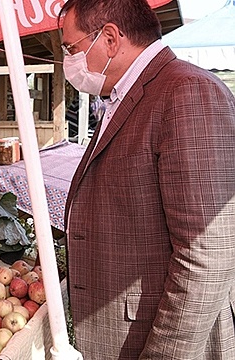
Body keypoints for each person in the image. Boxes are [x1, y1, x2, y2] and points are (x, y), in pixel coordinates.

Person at [60, 0, 235, 359]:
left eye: (70, 48)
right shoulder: (125, 95)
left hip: (158, 338)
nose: (69, 60)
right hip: (121, 330)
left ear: (109, 38)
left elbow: (207, 255)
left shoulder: (188, 92)